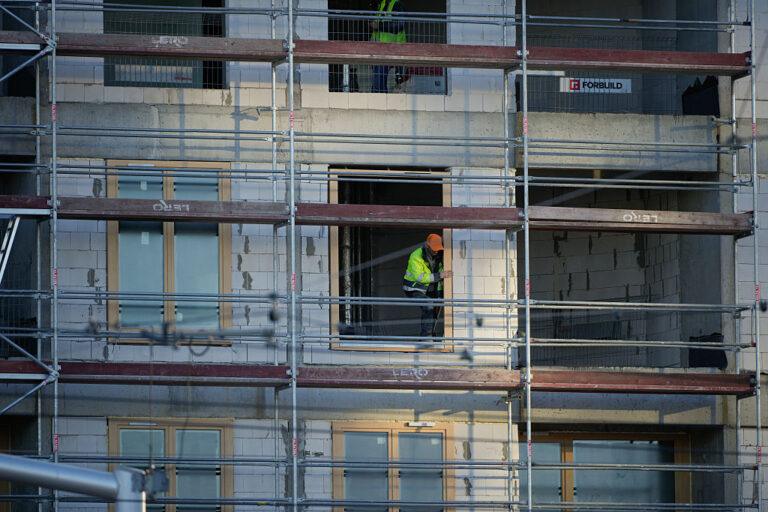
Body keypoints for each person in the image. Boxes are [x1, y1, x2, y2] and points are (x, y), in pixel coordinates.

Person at [403, 234, 452, 340]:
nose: (436, 251)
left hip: (430, 288)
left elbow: (440, 270)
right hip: (414, 289)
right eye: (434, 249)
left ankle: (430, 335)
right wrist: (440, 275)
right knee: (428, 305)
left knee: (433, 309)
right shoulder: (416, 256)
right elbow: (420, 277)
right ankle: (426, 338)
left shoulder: (439, 254)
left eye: (438, 249)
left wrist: (441, 292)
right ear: (427, 246)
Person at [370, 0, 407, 93]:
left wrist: (379, 26)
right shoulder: (381, 4)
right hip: (378, 49)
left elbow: (399, 24)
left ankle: (381, 100)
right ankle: (379, 99)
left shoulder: (397, 4)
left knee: (380, 78)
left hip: (392, 47)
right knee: (377, 79)